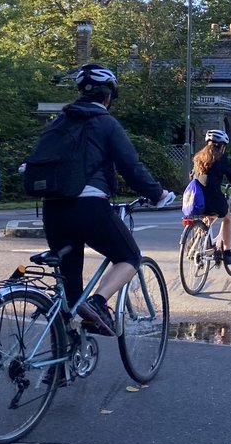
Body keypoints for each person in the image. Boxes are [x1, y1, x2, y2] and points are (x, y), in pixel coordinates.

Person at [38, 63, 174, 337]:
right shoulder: (106, 123)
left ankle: (64, 360)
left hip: (52, 208)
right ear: (108, 96)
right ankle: (98, 304)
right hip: (89, 206)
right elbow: (131, 167)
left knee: (70, 285)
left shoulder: (59, 122)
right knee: (129, 256)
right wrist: (157, 194)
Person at [192, 129, 231, 264]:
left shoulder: (198, 157)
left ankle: (196, 245)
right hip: (213, 199)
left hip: (197, 199)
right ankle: (228, 253)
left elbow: (194, 176)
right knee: (227, 218)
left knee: (208, 217)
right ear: (222, 146)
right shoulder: (220, 158)